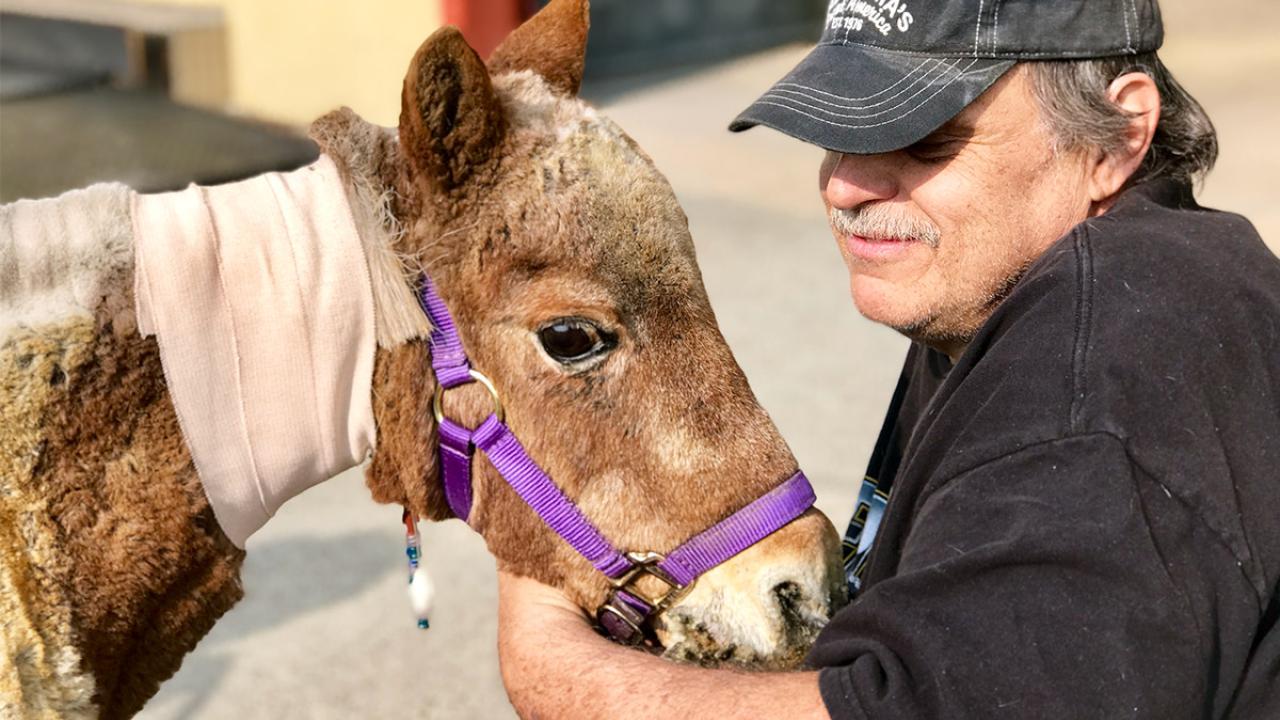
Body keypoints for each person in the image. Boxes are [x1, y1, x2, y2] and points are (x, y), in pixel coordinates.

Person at [496, 0, 1280, 717]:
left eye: (926, 139)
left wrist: (546, 658)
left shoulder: (1100, 379)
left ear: (1118, 140)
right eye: (839, 128)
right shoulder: (1029, 284)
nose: (844, 186)